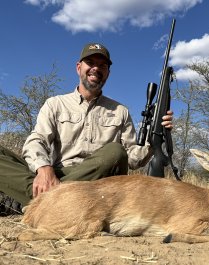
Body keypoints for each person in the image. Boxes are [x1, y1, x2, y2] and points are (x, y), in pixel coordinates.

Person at [0, 43, 173, 215]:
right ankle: (53, 203)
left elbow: (132, 159)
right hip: (58, 175)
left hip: (99, 185)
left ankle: (40, 202)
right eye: (90, 63)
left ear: (108, 73)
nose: (96, 68)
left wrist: (155, 138)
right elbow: (36, 141)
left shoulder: (121, 111)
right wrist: (44, 169)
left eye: (102, 65)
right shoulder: (55, 104)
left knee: (115, 151)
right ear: (78, 67)